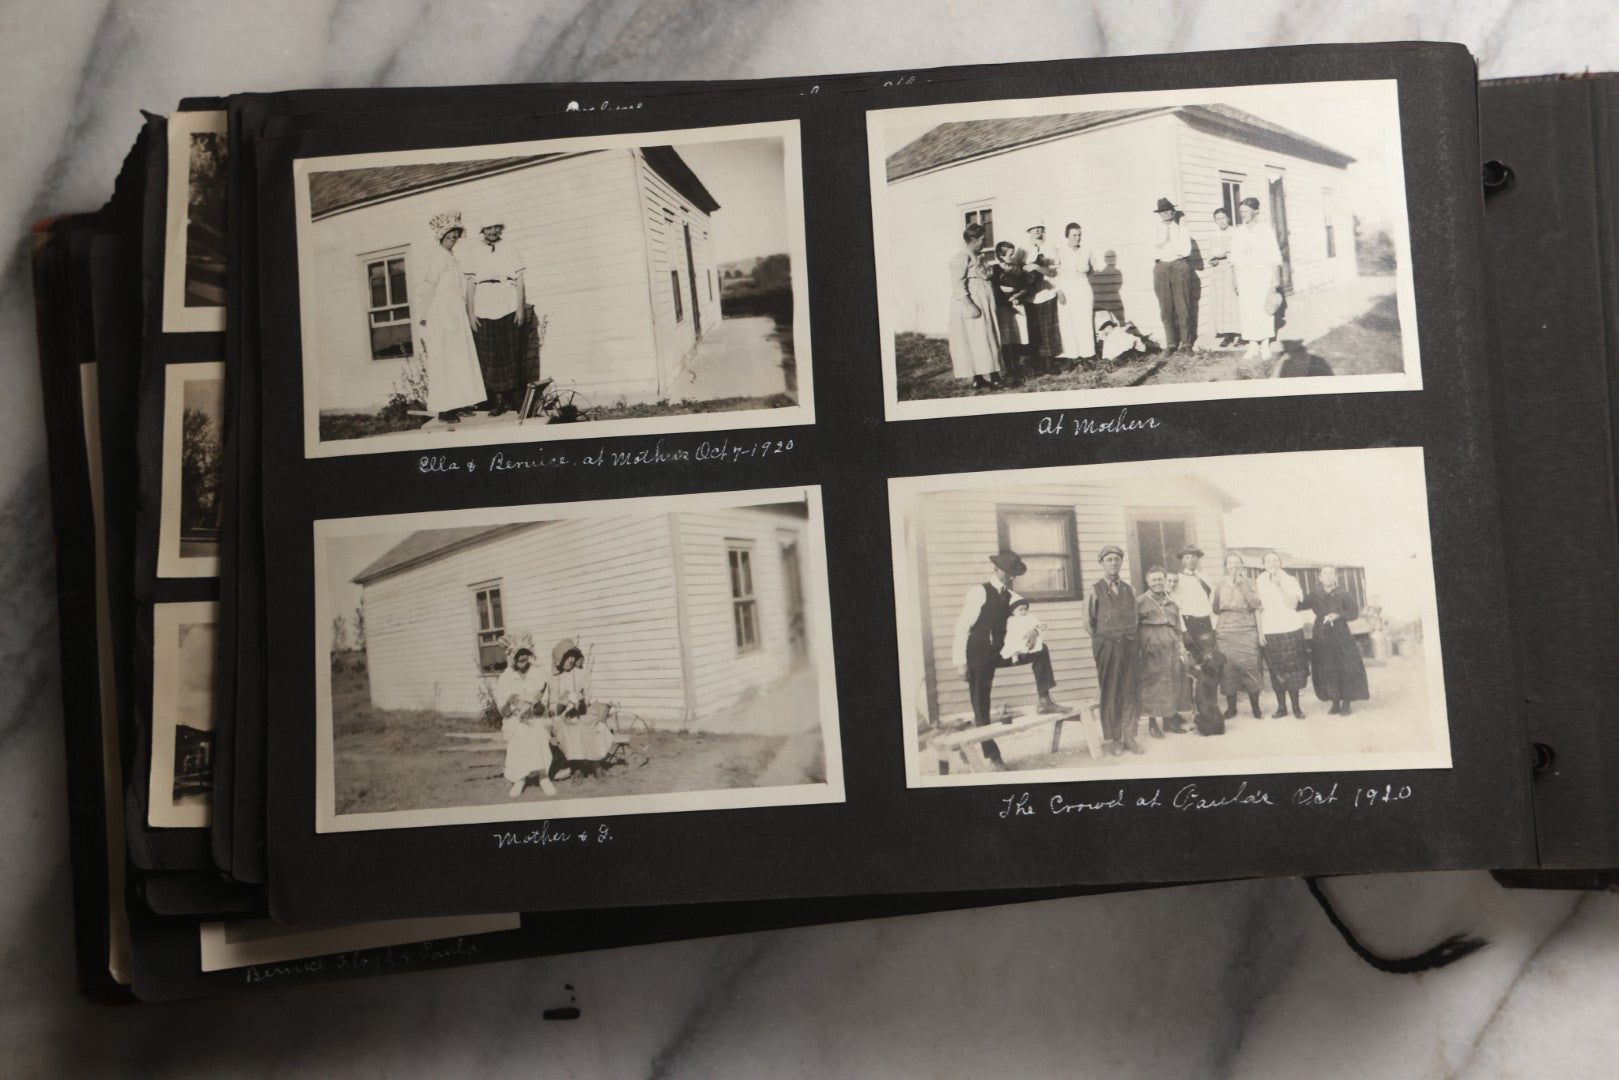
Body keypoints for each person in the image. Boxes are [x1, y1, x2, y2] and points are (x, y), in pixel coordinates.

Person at [950, 549, 1068, 770]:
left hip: (1002, 651)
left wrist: (1033, 630)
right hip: (978, 652)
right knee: (981, 704)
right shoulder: (979, 592)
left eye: (1014, 573)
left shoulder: (1011, 596)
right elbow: (962, 627)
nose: (1011, 577)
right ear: (996, 569)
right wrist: (960, 662)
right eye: (1008, 572)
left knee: (1041, 651)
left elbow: (1028, 617)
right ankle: (992, 754)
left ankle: (1045, 700)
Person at [417, 211, 489, 424]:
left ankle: (462, 401)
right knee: (444, 360)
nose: (453, 240)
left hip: (455, 313)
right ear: (441, 237)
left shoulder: (451, 258)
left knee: (459, 358)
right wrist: (424, 315)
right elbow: (430, 286)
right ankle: (444, 409)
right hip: (440, 315)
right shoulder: (437, 257)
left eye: (456, 237)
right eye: (449, 237)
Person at [463, 222, 531, 416]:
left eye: (496, 228)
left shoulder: (509, 247)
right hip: (484, 304)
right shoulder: (473, 251)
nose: (492, 232)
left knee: (511, 353)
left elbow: (519, 281)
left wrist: (520, 308)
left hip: (507, 303)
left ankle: (516, 399)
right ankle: (499, 400)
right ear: (482, 230)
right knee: (490, 355)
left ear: (500, 229)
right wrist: (471, 313)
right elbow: (470, 284)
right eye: (487, 228)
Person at [1086, 545, 1141, 755]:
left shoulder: (1129, 589)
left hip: (1129, 644)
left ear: (1121, 562)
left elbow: (1135, 617)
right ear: (1102, 563)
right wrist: (1104, 638)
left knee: (1129, 689)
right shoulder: (1095, 589)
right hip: (1107, 646)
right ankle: (1114, 738)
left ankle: (1129, 736)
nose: (1113, 563)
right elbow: (1088, 621)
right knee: (1110, 690)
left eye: (1117, 559)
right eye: (1109, 559)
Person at [543, 638, 616, 778]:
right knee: (570, 728)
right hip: (563, 717)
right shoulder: (554, 679)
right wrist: (562, 703)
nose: (571, 659)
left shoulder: (583, 674)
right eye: (567, 656)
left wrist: (581, 701)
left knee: (588, 724)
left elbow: (587, 698)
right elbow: (552, 708)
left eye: (573, 656)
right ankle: (576, 767)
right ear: (560, 659)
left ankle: (596, 765)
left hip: (582, 713)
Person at [1302, 566, 1370, 714]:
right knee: (1327, 668)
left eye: (1331, 573)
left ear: (1335, 577)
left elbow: (1354, 613)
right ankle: (1335, 702)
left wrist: (1338, 614)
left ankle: (1346, 702)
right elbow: (1298, 604)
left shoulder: (1343, 594)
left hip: (1341, 635)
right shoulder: (1315, 595)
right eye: (1325, 573)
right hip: (1321, 636)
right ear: (1320, 577)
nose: (1328, 576)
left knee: (1344, 667)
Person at [494, 642, 558, 798]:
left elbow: (543, 708)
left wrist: (536, 704)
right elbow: (504, 712)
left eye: (525, 653)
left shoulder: (538, 674)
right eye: (518, 655)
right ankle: (521, 779)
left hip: (537, 717)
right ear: (512, 657)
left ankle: (543, 777)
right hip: (514, 719)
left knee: (535, 730)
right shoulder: (506, 677)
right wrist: (509, 701)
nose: (522, 657)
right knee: (521, 730)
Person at [1228, 196, 1284, 360]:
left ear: (1256, 212)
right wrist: (1235, 279)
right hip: (1244, 277)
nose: (1242, 214)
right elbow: (1234, 259)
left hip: (1263, 275)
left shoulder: (1265, 230)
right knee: (1247, 309)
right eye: (1241, 212)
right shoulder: (1238, 232)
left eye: (1246, 211)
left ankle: (1265, 344)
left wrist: (1274, 280)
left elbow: (1274, 256)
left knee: (1264, 308)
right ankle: (1253, 345)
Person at [947, 223, 1002, 390]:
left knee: (987, 338)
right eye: (982, 239)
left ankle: (989, 374)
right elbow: (958, 285)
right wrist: (971, 306)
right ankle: (985, 377)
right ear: (972, 239)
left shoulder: (979, 257)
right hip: (973, 304)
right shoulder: (961, 258)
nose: (985, 242)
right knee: (976, 340)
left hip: (984, 303)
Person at [1136, 566, 1190, 737]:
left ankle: (1168, 721)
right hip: (1151, 649)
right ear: (1148, 581)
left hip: (1171, 647)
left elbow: (1178, 627)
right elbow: (1134, 628)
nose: (1158, 583)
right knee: (1153, 685)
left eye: (1160, 579)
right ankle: (1152, 723)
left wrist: (1181, 645)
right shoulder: (1140, 602)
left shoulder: (1171, 603)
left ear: (1165, 581)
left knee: (1171, 682)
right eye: (1154, 580)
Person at [1255, 551, 1310, 718]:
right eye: (1268, 561)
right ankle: (1281, 708)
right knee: (1275, 669)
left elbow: (1292, 605)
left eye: (1275, 560)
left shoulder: (1289, 580)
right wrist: (1260, 633)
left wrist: (1278, 586)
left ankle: (1296, 708)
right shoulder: (1259, 582)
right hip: (1270, 629)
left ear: (1280, 563)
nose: (1272, 564)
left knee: (1293, 669)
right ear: (1263, 564)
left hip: (1290, 628)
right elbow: (1258, 609)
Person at [1211, 552, 1265, 719]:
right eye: (1230, 563)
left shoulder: (1250, 582)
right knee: (1228, 668)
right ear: (1226, 566)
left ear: (1242, 565)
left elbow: (1256, 604)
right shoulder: (1219, 584)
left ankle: (1255, 708)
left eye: (1236, 563)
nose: (1233, 566)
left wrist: (1241, 584)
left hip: (1246, 628)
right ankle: (1231, 708)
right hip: (1226, 631)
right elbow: (1215, 608)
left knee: (1251, 666)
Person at [1150, 197, 1195, 353]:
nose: (1165, 213)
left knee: (1183, 306)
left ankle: (1187, 344)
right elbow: (1153, 252)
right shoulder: (1154, 231)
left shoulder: (1182, 230)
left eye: (1168, 210)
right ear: (1159, 214)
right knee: (1165, 307)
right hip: (1161, 268)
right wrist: (1169, 246)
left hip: (1179, 266)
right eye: (1162, 211)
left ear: (1173, 212)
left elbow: (1185, 251)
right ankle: (1170, 344)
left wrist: (1165, 245)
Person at [1052, 222, 1098, 365]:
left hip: (1083, 288)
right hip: (1066, 288)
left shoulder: (1087, 251)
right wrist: (1058, 290)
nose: (1077, 238)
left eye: (1079, 235)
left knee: (1084, 321)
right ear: (1067, 236)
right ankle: (1072, 356)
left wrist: (1082, 277)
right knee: (1067, 322)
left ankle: (1087, 355)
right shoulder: (1060, 251)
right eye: (1074, 235)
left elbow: (1093, 268)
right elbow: (1054, 273)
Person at [988, 241, 1034, 382]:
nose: (1012, 257)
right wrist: (1007, 297)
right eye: (1009, 255)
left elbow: (1025, 286)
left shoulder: (1016, 268)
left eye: (1013, 254)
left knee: (1017, 338)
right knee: (1006, 340)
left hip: (1017, 305)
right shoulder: (995, 270)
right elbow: (994, 290)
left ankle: (1017, 368)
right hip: (1004, 308)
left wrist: (1016, 296)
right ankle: (1009, 370)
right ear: (1000, 256)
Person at [1018, 222, 1061, 368]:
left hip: (1047, 292)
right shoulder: (1022, 250)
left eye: (1039, 227)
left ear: (1043, 229)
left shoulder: (1050, 248)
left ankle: (1050, 362)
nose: (1036, 229)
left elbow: (1054, 272)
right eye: (1033, 227)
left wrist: (1037, 267)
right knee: (1033, 329)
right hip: (1030, 295)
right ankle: (1037, 364)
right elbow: (1017, 270)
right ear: (1029, 230)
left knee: (1048, 329)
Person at [1182, 627, 1228, 736]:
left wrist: (1187, 663)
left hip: (1205, 708)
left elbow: (1196, 672)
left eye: (1205, 643)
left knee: (1205, 706)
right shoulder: (1218, 656)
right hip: (1211, 681)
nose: (1204, 645)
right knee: (1210, 705)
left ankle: (1207, 725)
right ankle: (1216, 725)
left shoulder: (1209, 662)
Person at [1205, 207, 1240, 345]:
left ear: (1228, 218)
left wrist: (1227, 254)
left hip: (1232, 269)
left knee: (1233, 300)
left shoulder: (1235, 233)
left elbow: (1238, 252)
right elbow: (1210, 253)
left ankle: (1240, 331)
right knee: (1222, 302)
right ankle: (1227, 333)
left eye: (1223, 218)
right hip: (1218, 270)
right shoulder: (1214, 235)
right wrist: (1211, 259)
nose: (1221, 221)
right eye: (1218, 219)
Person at [1169, 544, 1215, 640]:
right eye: (1187, 557)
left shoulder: (1205, 578)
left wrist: (1213, 624)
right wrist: (1183, 629)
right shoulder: (1178, 579)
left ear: (1197, 559)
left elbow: (1211, 601)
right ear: (1183, 561)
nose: (1190, 560)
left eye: (1193, 557)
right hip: (1188, 620)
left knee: (1208, 652)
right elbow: (1176, 606)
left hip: (1205, 620)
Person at [1000, 596, 1045, 662]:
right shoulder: (1010, 619)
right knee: (1012, 645)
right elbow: (1007, 628)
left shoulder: (1029, 617)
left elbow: (1036, 622)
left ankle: (1024, 654)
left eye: (1025, 609)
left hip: (1027, 635)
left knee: (1029, 644)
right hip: (1014, 636)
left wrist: (1039, 625)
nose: (1023, 611)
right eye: (1020, 610)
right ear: (1013, 611)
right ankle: (1014, 656)